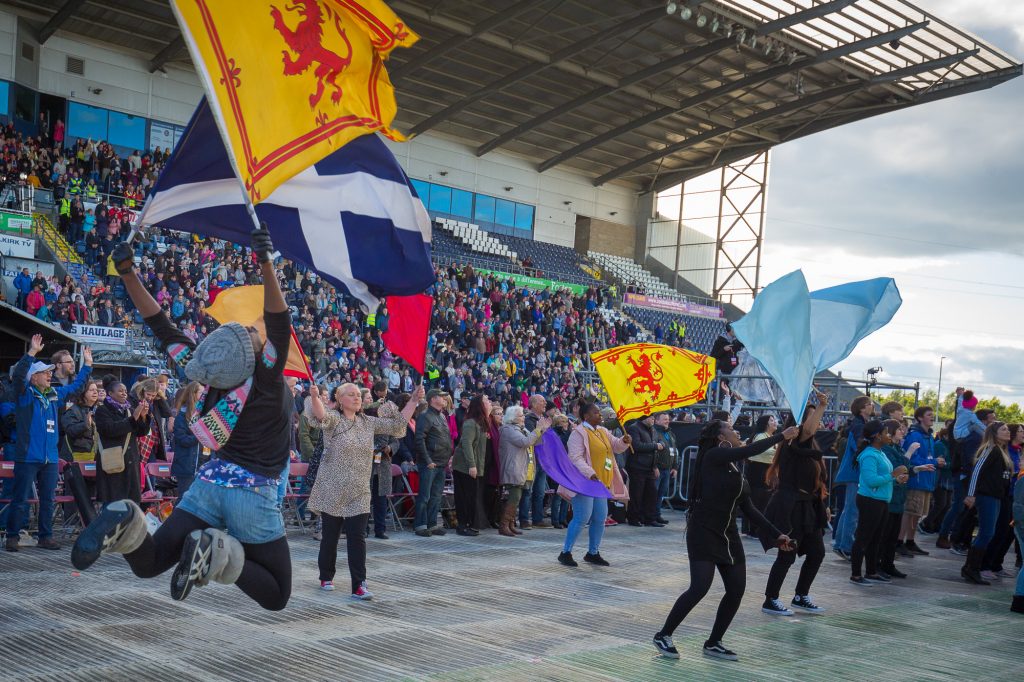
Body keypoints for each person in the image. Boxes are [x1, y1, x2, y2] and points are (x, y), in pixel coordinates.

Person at [72, 228, 296, 612]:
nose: (258, 331)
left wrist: (127, 273)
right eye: (254, 335)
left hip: (208, 486)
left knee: (151, 561)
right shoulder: (267, 381)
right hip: (252, 493)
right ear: (259, 354)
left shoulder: (205, 373)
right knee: (277, 593)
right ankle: (220, 552)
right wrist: (265, 264)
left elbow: (160, 324)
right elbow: (279, 320)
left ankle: (129, 521)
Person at [652, 419, 798, 661]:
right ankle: (663, 634)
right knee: (699, 587)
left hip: (728, 535)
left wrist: (776, 534)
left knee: (736, 590)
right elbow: (749, 450)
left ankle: (714, 642)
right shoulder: (713, 456)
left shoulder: (733, 467)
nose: (736, 431)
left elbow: (749, 508)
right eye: (730, 429)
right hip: (703, 531)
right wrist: (782, 436)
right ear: (721, 439)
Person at [305, 382, 422, 598]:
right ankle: (326, 576)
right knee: (330, 537)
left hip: (359, 489)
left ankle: (359, 584)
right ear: (340, 400)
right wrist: (314, 397)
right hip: (333, 487)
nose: (357, 398)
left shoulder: (367, 422)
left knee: (357, 538)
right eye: (351, 394)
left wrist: (413, 401)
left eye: (358, 394)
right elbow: (321, 415)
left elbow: (397, 424)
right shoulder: (334, 419)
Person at [6, 335, 93, 552]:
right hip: (27, 456)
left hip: (50, 458)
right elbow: (18, 376)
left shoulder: (54, 394)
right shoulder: (24, 395)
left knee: (48, 499)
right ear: (33, 377)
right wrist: (32, 353)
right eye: (45, 372)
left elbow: (76, 387)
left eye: (49, 372)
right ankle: (12, 536)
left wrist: (88, 366)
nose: (49, 374)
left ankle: (45, 536)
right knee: (20, 499)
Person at [760, 391, 830, 615]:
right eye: (811, 417)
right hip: (790, 506)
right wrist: (822, 404)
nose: (815, 423)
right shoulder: (792, 444)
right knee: (787, 554)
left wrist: (824, 504)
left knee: (817, 552)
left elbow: (818, 480)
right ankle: (771, 599)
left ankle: (801, 595)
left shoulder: (811, 447)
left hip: (808, 505)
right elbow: (808, 430)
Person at [557, 401, 629, 567]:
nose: (600, 415)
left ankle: (593, 552)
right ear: (586, 416)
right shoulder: (578, 433)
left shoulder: (603, 431)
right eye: (596, 413)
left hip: (601, 483)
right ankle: (565, 552)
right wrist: (590, 472)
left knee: (599, 518)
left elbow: (616, 447)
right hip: (584, 482)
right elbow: (575, 458)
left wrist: (624, 441)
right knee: (582, 517)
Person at [850, 421, 908, 586]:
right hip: (870, 500)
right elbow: (871, 481)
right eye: (886, 433)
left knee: (876, 539)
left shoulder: (880, 452)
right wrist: (892, 475)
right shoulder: (869, 455)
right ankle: (855, 574)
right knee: (863, 537)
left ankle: (871, 571)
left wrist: (897, 479)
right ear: (877, 436)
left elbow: (884, 479)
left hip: (881, 500)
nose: (888, 436)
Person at [960, 421, 1014, 585]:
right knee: (986, 533)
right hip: (986, 496)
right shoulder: (991, 449)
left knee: (988, 533)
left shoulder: (1001, 451)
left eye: (1007, 429)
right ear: (994, 433)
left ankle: (971, 568)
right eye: (1003, 429)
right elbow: (977, 470)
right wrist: (971, 494)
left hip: (996, 497)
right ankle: (971, 569)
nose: (1007, 431)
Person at [498, 405, 551, 537]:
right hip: (513, 467)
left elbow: (536, 442)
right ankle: (504, 525)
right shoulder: (508, 430)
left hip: (522, 468)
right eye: (521, 415)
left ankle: (510, 524)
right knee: (515, 497)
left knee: (517, 497)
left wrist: (542, 430)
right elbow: (526, 442)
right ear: (513, 418)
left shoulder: (521, 429)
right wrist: (537, 429)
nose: (523, 417)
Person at [833, 396, 874, 560]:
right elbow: (860, 447)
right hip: (856, 472)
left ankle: (840, 544)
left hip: (854, 472)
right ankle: (846, 545)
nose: (872, 406)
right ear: (862, 408)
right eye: (869, 404)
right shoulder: (859, 426)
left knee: (848, 508)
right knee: (852, 510)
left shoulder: (858, 424)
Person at [898, 406, 940, 557]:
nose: (932, 417)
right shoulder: (915, 435)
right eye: (929, 414)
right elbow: (912, 458)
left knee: (917, 513)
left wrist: (934, 461)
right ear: (920, 418)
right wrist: (935, 461)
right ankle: (899, 541)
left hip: (926, 480)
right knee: (909, 511)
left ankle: (910, 541)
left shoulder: (928, 435)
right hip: (917, 479)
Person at [414, 388, 454, 537]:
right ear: (433, 399)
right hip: (430, 463)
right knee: (425, 495)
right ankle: (420, 525)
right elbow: (419, 439)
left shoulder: (442, 416)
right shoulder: (425, 416)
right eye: (441, 397)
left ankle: (431, 524)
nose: (445, 399)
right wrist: (427, 460)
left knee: (436, 495)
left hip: (441, 463)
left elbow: (446, 438)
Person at [453, 394, 490, 536]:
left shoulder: (480, 422)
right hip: (465, 466)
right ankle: (462, 525)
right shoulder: (470, 423)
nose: (489, 403)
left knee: (472, 496)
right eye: (486, 401)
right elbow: (466, 444)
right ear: (480, 405)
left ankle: (469, 523)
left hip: (474, 465)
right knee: (464, 497)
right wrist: (472, 465)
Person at [625, 414, 665, 527]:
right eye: (651, 417)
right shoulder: (634, 428)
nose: (653, 420)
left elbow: (661, 442)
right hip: (637, 467)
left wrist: (660, 445)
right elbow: (636, 446)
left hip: (650, 467)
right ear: (644, 418)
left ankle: (649, 518)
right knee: (636, 495)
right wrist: (655, 446)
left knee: (651, 494)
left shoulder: (653, 429)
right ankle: (634, 518)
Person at [742, 414, 777, 537]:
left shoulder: (769, 437)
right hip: (758, 470)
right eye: (772, 420)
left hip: (765, 470)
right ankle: (753, 529)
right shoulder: (761, 436)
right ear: (766, 423)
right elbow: (763, 450)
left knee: (763, 501)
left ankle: (757, 529)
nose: (775, 422)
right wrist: (778, 451)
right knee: (757, 500)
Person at [522, 394, 551, 529]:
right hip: (532, 460)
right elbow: (533, 440)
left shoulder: (543, 419)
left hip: (542, 460)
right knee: (527, 491)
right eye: (542, 401)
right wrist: (543, 430)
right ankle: (523, 519)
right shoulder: (528, 419)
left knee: (539, 492)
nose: (545, 403)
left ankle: (537, 519)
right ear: (533, 404)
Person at [170, 382, 203, 497]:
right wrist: (201, 437)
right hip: (186, 466)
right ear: (193, 394)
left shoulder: (202, 413)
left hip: (201, 466)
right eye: (201, 392)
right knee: (184, 500)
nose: (204, 395)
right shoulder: (181, 415)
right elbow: (181, 439)